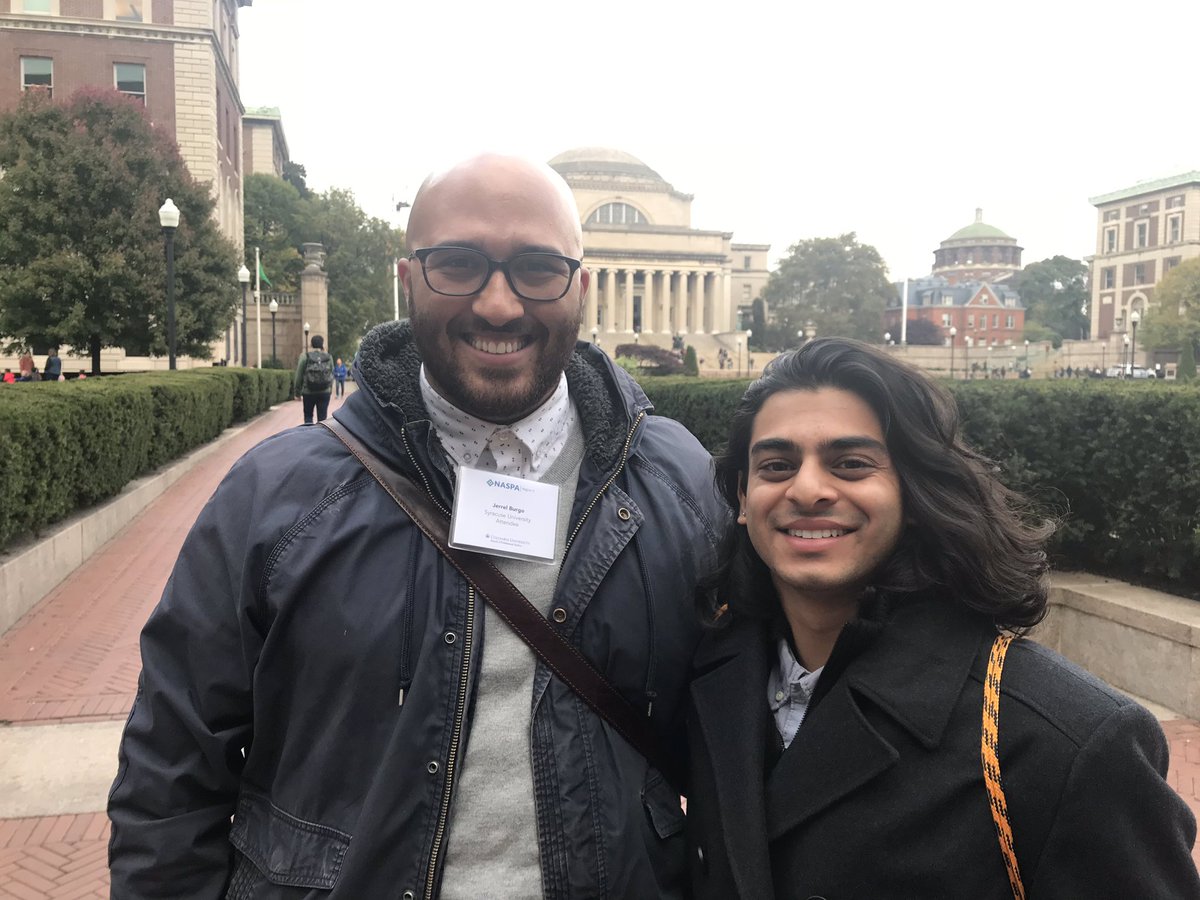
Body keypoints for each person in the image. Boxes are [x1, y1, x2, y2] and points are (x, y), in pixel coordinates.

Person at [109, 153, 722, 898]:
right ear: (407, 281)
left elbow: (748, 719)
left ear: (582, 287)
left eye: (537, 268)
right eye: (457, 264)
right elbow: (173, 772)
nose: (499, 305)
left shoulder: (673, 479)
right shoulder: (277, 496)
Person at [686, 338, 1199, 899]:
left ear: (915, 489)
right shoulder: (713, 679)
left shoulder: (1066, 741)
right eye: (777, 465)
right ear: (742, 496)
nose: (807, 489)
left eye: (852, 464)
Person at [293, 334, 333, 424]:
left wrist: (297, 393)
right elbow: (332, 373)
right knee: (323, 420)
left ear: (311, 345)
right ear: (322, 344)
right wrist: (329, 389)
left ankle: (308, 436)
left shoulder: (305, 356)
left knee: (308, 417)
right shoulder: (328, 357)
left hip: (308, 392)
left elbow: (299, 375)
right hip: (324, 392)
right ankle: (321, 437)